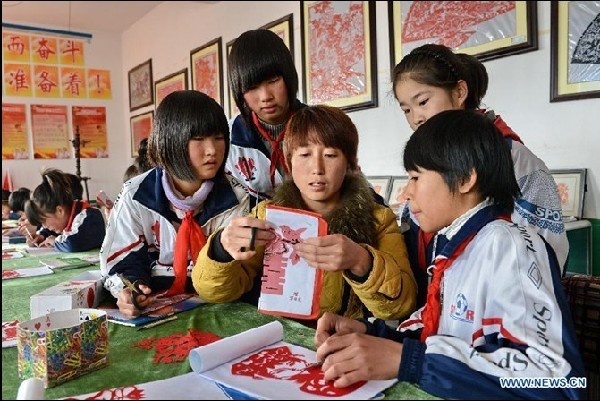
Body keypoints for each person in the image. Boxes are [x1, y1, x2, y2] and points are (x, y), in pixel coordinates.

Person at [312, 110, 585, 400]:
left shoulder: (508, 246)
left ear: (466, 178)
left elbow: (556, 386)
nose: (407, 193)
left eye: (416, 177)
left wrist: (410, 361)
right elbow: (443, 330)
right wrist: (372, 333)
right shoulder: (457, 245)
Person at [193, 105, 416, 321]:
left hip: (339, 343)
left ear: (350, 163)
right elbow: (214, 292)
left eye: (330, 155)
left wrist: (361, 261)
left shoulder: (379, 220)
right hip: (275, 337)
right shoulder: (267, 216)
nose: (317, 168)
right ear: (289, 162)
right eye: (305, 154)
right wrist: (220, 249)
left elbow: (401, 306)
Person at [392, 44, 569, 304]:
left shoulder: (514, 157)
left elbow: (545, 252)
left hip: (498, 311)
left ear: (460, 92)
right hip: (435, 310)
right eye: (406, 110)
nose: (416, 118)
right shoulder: (425, 160)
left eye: (423, 102)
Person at [100, 90, 250, 318]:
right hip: (155, 308)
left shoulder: (236, 197)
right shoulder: (136, 194)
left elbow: (237, 274)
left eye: (219, 138)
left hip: (219, 308)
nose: (212, 150)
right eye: (198, 139)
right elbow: (121, 262)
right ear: (170, 140)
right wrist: (131, 290)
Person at [226, 28, 306, 201]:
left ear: (288, 77)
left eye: (273, 81)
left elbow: (357, 188)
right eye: (252, 87)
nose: (265, 97)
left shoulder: (321, 125)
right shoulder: (227, 137)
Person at [24, 168, 105, 251]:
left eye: (43, 221)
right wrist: (41, 236)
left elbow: (73, 244)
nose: (44, 226)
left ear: (60, 211)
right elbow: (52, 232)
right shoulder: (67, 218)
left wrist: (55, 241)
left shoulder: (89, 217)